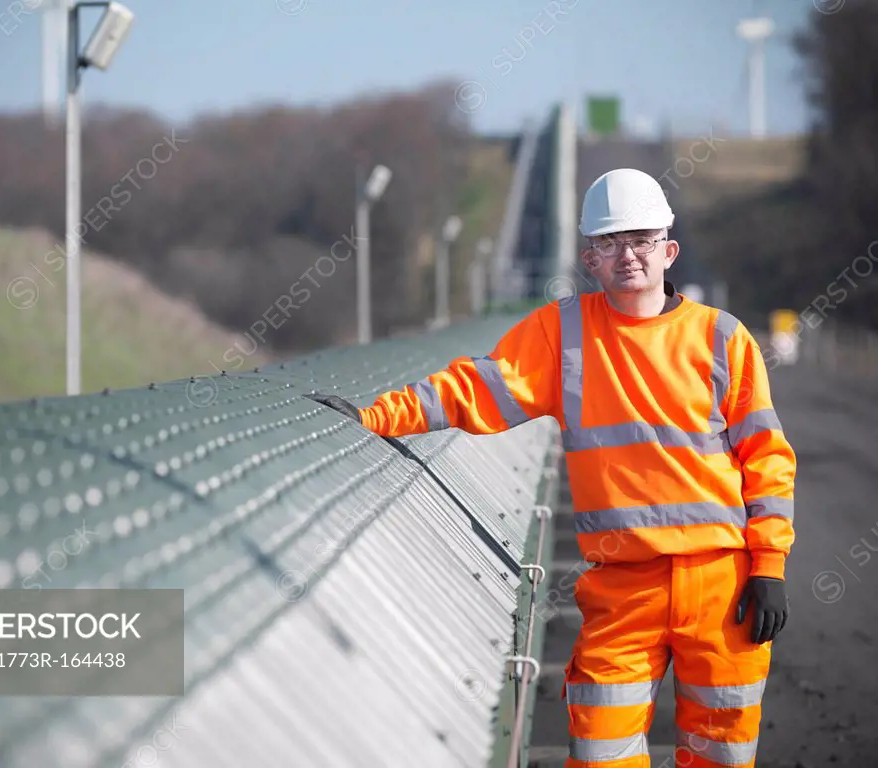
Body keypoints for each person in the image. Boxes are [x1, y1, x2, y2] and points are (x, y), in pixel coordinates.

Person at [307, 167, 795, 767]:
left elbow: (767, 459)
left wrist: (768, 566)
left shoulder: (722, 338)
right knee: (600, 754)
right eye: (609, 243)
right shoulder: (562, 335)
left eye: (641, 240)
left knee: (722, 754)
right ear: (589, 258)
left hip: (724, 583)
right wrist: (375, 417)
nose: (627, 256)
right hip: (622, 588)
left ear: (668, 250)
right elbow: (473, 390)